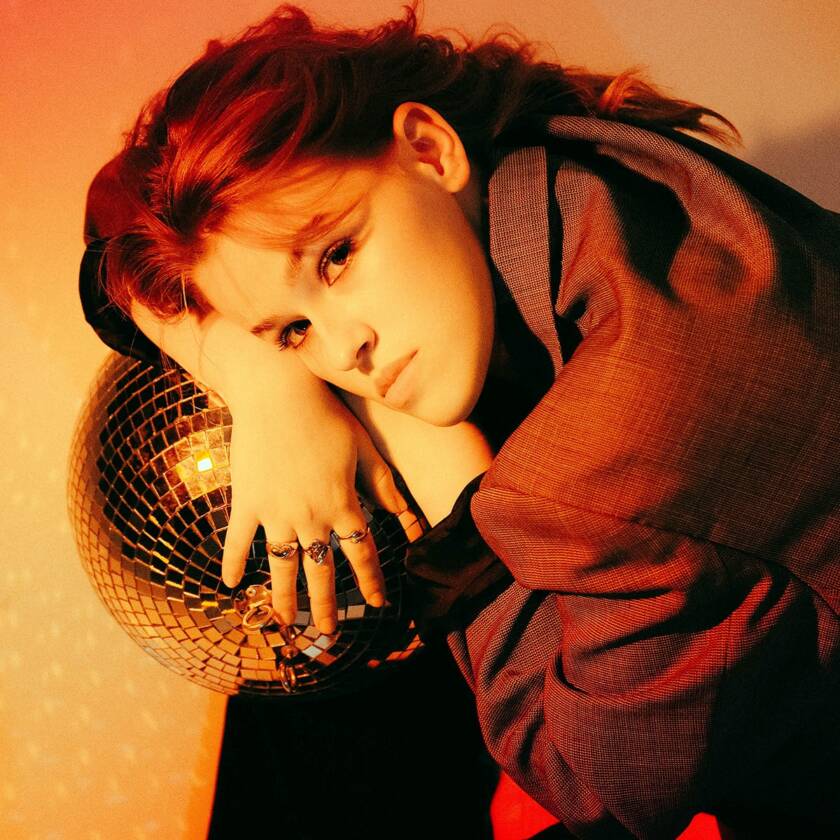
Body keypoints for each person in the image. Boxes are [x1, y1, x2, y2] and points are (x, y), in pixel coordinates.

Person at [80, 4, 839, 838]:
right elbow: (111, 215)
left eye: (337, 256)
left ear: (429, 148)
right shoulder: (551, 157)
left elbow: (594, 792)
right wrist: (260, 378)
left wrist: (439, 463)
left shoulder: (597, 469)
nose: (346, 350)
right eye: (296, 330)